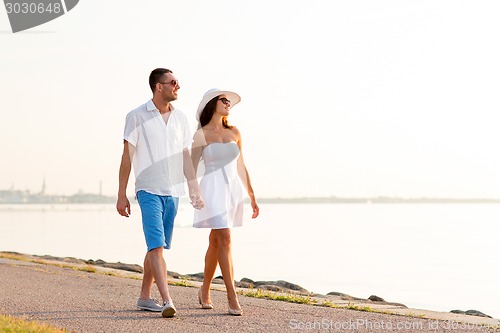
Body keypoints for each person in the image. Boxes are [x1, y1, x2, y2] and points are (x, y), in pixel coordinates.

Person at [116, 68, 204, 318]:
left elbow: (185, 156)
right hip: (148, 189)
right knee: (155, 246)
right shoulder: (136, 116)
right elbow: (126, 157)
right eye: (173, 82)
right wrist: (121, 194)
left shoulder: (181, 119)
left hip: (173, 191)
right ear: (158, 86)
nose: (178, 86)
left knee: (158, 248)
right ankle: (167, 300)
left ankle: (144, 297)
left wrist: (193, 187)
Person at [191, 88, 259, 316]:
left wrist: (251, 194)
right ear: (212, 103)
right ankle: (232, 295)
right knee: (225, 238)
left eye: (229, 101)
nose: (228, 103)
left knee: (216, 241)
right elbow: (190, 169)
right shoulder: (201, 135)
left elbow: (241, 165)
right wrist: (195, 193)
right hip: (211, 189)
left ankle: (205, 290)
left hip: (232, 190)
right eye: (224, 100)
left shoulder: (235, 132)